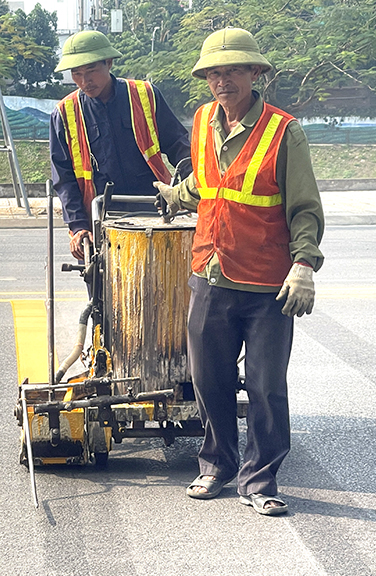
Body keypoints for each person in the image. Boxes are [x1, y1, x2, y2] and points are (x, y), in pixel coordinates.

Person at [154, 27, 325, 515]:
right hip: (210, 274)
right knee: (209, 379)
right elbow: (210, 185)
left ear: (255, 73)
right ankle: (217, 466)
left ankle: (261, 480)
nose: (221, 80)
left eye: (232, 71)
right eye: (213, 72)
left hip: (268, 284)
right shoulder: (204, 120)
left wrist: (304, 264)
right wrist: (176, 194)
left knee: (267, 386)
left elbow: (305, 208)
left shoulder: (283, 131)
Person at [50, 30, 191, 260]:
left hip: (153, 210)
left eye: (91, 71)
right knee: (103, 290)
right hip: (100, 217)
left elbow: (178, 145)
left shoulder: (145, 95)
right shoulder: (65, 114)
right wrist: (78, 226)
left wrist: (195, 187)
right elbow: (64, 179)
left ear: (109, 63)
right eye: (77, 73)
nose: (85, 81)